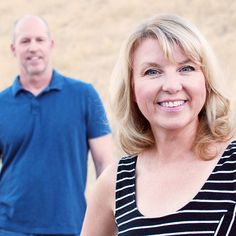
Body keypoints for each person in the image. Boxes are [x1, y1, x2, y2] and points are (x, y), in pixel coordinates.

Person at [81, 13, 236, 236]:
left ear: (206, 81)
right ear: (132, 89)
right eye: (152, 71)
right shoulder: (114, 183)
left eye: (187, 68)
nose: (172, 86)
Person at [0, 15, 115, 235]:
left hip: (71, 226)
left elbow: (105, 163)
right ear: (13, 49)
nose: (33, 47)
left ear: (51, 45)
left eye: (39, 40)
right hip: (9, 228)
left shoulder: (85, 95)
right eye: (25, 41)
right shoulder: (1, 104)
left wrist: (107, 222)